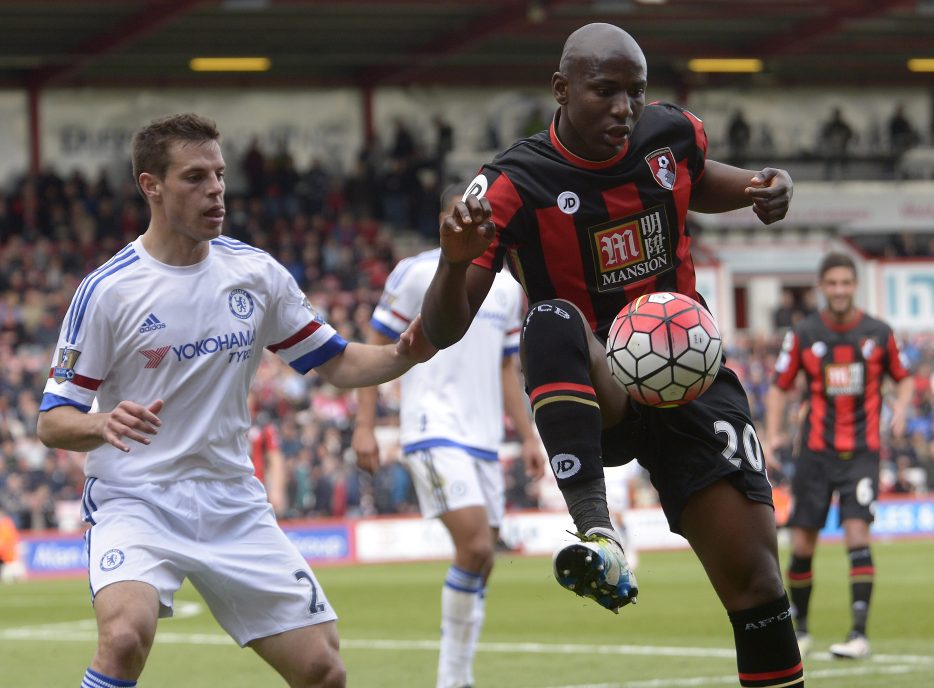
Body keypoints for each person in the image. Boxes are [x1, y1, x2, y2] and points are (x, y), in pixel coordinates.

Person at [420, 22, 803, 688]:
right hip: (597, 383)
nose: (624, 110)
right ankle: (598, 532)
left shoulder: (671, 134)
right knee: (549, 318)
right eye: (605, 92)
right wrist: (454, 266)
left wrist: (758, 188)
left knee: (758, 584)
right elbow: (443, 329)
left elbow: (698, 177)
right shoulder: (512, 184)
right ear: (562, 89)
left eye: (635, 92)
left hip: (688, 372)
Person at [35, 113, 436, 688]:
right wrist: (100, 424)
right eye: (194, 177)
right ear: (151, 185)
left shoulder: (255, 273)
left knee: (324, 670)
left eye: (219, 175)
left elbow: (337, 361)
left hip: (231, 500)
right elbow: (53, 422)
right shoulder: (107, 290)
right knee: (124, 636)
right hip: (137, 498)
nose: (216, 189)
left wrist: (404, 355)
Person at [352, 182, 546, 688]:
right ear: (444, 220)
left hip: (482, 438)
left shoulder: (506, 289)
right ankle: (452, 678)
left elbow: (508, 371)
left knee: (482, 559)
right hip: (431, 426)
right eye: (461, 214)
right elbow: (376, 340)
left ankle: (459, 675)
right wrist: (366, 426)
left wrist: (527, 437)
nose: (474, 223)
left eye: (483, 216)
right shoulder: (416, 273)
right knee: (477, 546)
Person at [765, 251, 912, 660]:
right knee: (803, 545)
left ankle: (858, 634)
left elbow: (903, 380)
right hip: (814, 453)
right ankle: (803, 630)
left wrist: (900, 408)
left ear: (855, 285)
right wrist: (774, 432)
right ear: (821, 287)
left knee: (857, 535)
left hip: (862, 453)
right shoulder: (805, 332)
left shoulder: (879, 333)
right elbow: (779, 385)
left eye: (846, 283)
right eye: (832, 283)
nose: (840, 290)